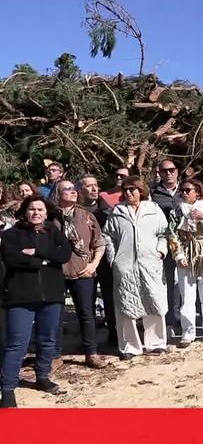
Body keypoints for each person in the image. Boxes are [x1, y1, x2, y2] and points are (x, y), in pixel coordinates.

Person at [1, 196, 72, 408]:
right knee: (17, 344)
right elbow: (12, 259)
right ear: (24, 211)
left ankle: (42, 377)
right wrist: (44, 261)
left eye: (40, 209)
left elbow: (64, 255)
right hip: (20, 296)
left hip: (52, 295)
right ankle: (7, 389)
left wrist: (37, 253)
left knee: (48, 339)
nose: (36, 213)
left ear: (46, 212)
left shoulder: (54, 233)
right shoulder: (11, 234)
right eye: (32, 209)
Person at [103, 176, 169, 360]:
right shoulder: (117, 212)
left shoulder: (154, 210)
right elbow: (107, 236)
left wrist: (160, 253)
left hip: (150, 264)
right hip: (125, 266)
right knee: (126, 306)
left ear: (141, 191)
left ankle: (156, 343)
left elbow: (165, 233)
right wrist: (113, 258)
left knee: (154, 303)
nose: (129, 193)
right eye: (126, 190)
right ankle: (129, 347)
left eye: (133, 189)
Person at [53, 180, 108, 369]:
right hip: (56, 273)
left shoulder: (86, 215)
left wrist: (94, 264)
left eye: (74, 189)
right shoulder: (50, 217)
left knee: (87, 314)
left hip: (84, 272)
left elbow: (99, 243)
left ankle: (91, 353)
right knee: (55, 315)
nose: (73, 192)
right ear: (58, 194)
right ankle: (55, 355)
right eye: (67, 189)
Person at [168, 178, 203, 348]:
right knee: (187, 296)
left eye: (188, 190)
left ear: (197, 192)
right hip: (185, 254)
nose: (184, 193)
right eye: (182, 190)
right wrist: (178, 255)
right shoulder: (176, 212)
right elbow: (171, 234)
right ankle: (188, 331)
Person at [79, 175, 116, 344]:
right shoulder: (75, 211)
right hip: (83, 260)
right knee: (86, 300)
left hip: (106, 260)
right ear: (81, 190)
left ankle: (114, 331)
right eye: (89, 186)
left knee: (110, 296)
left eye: (96, 185)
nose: (94, 189)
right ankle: (88, 338)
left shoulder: (109, 210)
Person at [150, 160, 183, 337]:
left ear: (177, 171)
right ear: (159, 173)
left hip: (187, 244)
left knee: (189, 283)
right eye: (164, 171)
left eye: (172, 170)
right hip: (165, 244)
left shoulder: (187, 189)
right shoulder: (154, 194)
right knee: (169, 283)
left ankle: (189, 320)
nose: (168, 173)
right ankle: (171, 320)